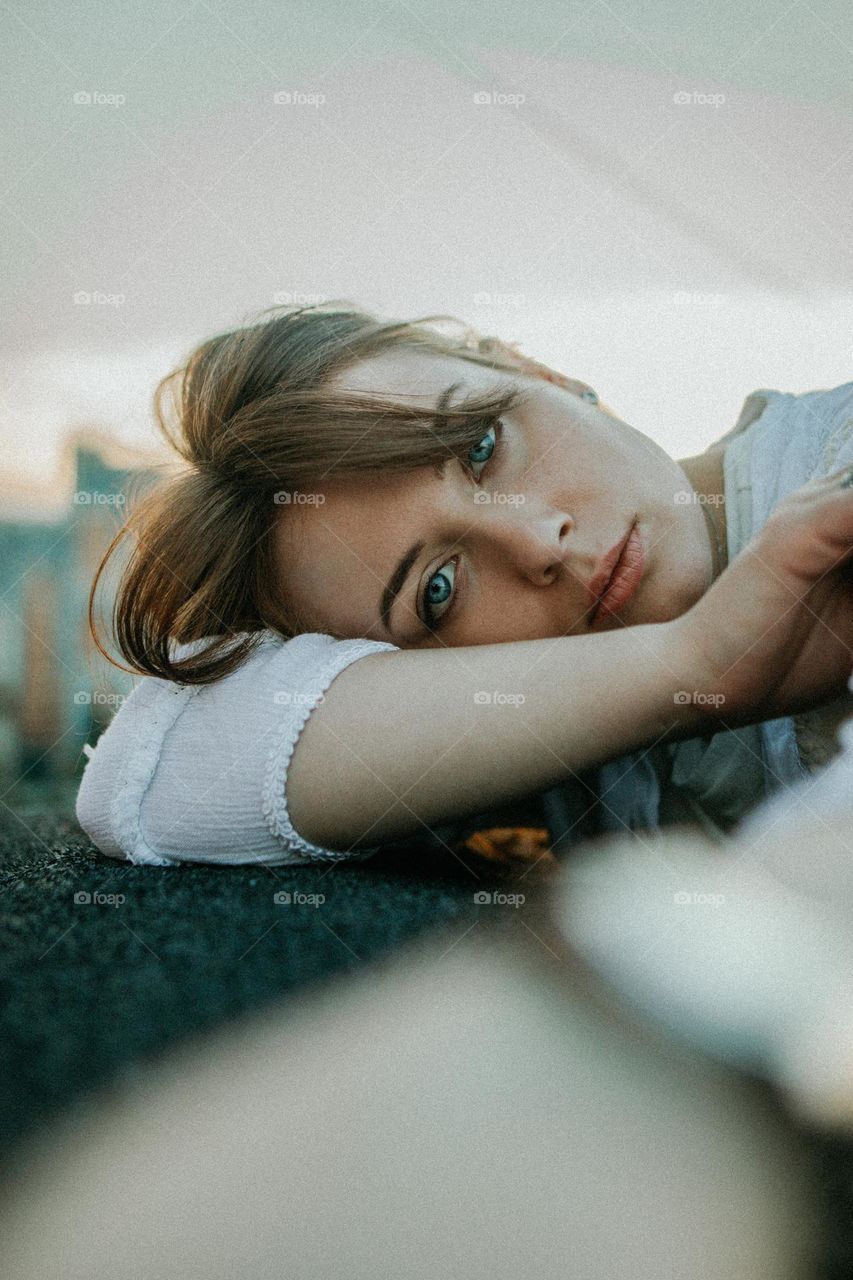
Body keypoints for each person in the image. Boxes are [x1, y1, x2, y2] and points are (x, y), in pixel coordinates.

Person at [75, 302, 853, 866]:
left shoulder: (833, 470)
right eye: (438, 590)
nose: (534, 539)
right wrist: (689, 666)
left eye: (483, 444)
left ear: (542, 374)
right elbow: (152, 784)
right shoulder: (530, 739)